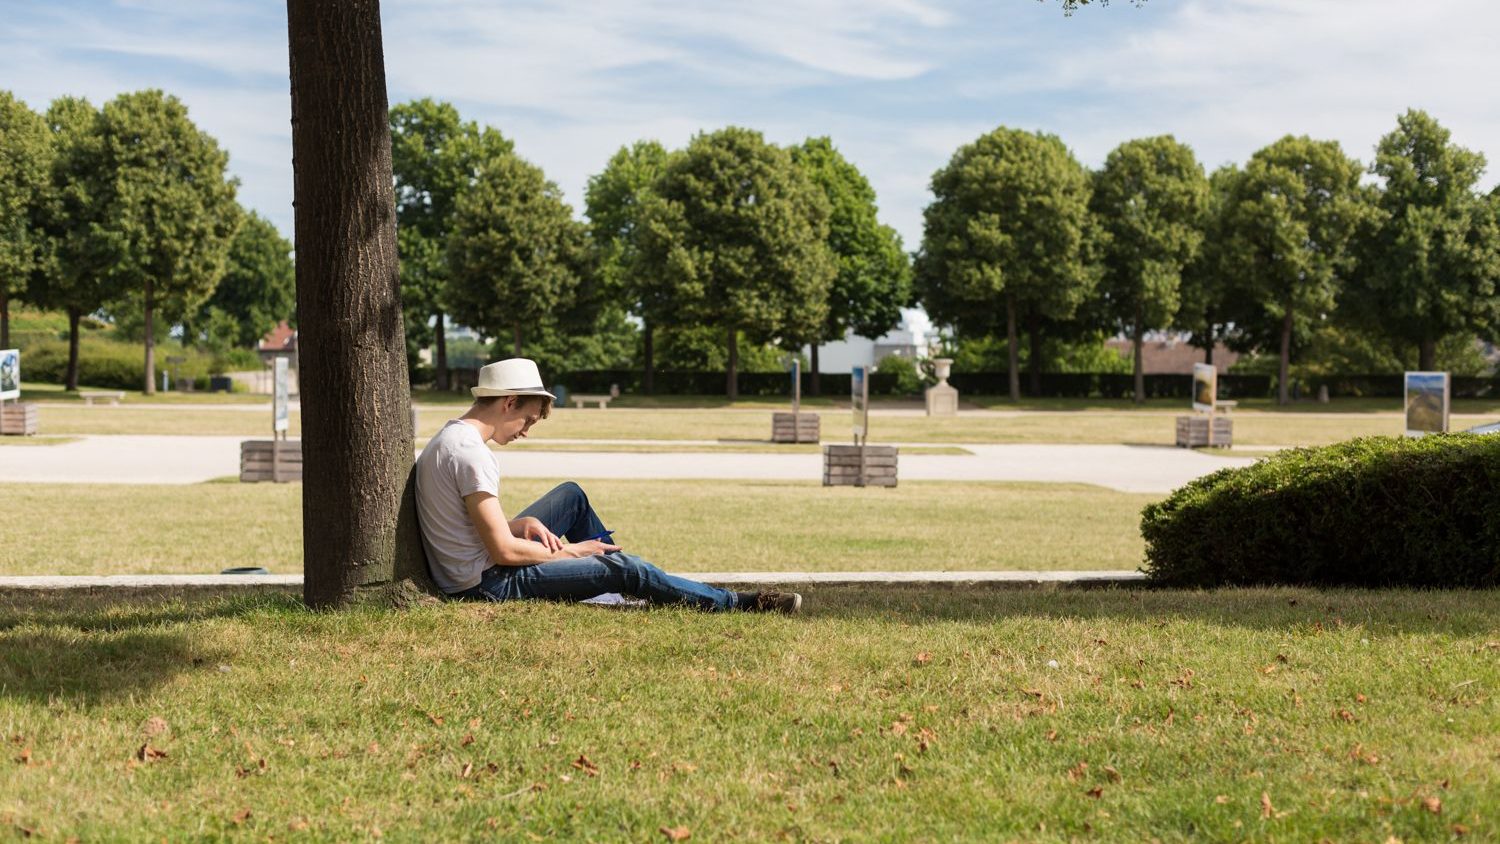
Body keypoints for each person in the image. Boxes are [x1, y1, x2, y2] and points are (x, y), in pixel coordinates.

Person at [415, 357, 802, 614]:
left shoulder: (449, 439)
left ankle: (611, 589)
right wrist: (573, 553)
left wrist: (521, 524)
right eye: (528, 420)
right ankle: (736, 603)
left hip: (472, 569)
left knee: (571, 497)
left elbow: (467, 526)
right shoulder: (473, 455)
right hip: (488, 585)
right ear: (509, 402)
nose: (526, 432)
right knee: (626, 568)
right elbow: (502, 551)